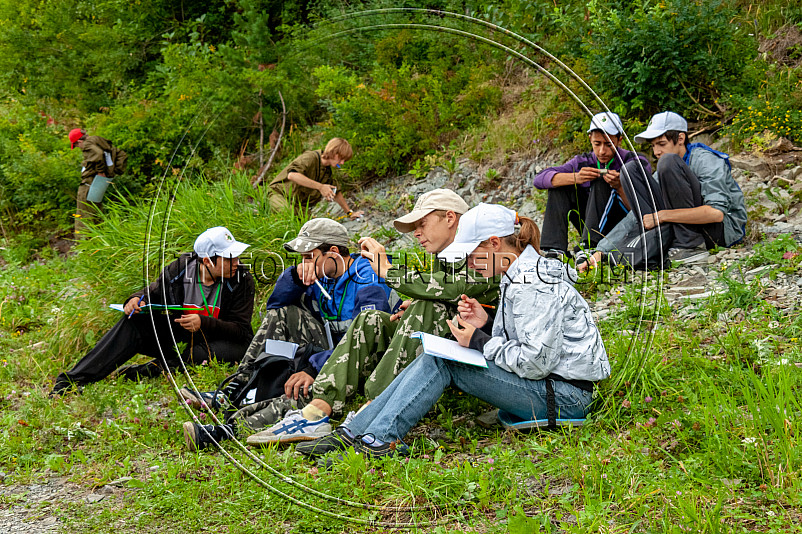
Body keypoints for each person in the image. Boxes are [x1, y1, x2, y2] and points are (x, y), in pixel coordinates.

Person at [294, 203, 610, 460]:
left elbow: (535, 363)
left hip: (565, 398)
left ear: (495, 244)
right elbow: (528, 343)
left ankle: (378, 439)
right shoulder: (520, 273)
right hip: (552, 388)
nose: (469, 262)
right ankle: (355, 432)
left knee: (442, 360)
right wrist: (484, 324)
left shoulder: (532, 282)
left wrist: (478, 339)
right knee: (438, 354)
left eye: (472, 254)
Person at [181, 218, 400, 450]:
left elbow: (363, 338)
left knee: (307, 386)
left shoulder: (366, 276)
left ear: (333, 252)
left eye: (308, 256)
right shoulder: (322, 274)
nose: (304, 263)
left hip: (366, 360)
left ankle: (230, 430)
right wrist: (295, 276)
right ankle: (235, 388)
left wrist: (314, 368)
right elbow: (275, 308)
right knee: (284, 314)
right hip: (331, 350)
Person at [50, 227, 255, 396]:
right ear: (207, 261)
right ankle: (72, 380)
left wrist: (204, 322)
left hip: (221, 341)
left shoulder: (242, 279)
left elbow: (241, 330)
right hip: (183, 335)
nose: (236, 262)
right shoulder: (180, 269)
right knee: (133, 321)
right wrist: (135, 300)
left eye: (237, 256)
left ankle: (147, 370)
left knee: (202, 353)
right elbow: (153, 292)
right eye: (229, 258)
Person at [579, 111, 747, 270]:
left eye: (661, 144)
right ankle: (641, 248)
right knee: (630, 169)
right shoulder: (664, 170)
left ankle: (689, 247)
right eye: (653, 146)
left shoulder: (705, 160)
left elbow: (716, 213)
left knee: (667, 161)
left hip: (720, 229)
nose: (656, 152)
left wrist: (662, 216)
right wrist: (602, 250)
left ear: (680, 138)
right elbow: (637, 218)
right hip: (681, 225)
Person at [533, 112, 651, 258]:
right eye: (597, 144)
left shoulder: (635, 161)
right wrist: (576, 177)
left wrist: (620, 187)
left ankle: (589, 246)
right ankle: (554, 250)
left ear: (619, 140)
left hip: (622, 224)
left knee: (601, 181)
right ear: (590, 140)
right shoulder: (583, 161)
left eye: (609, 145)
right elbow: (539, 180)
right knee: (561, 186)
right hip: (590, 221)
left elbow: (642, 210)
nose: (602, 151)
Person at [267, 138, 363, 219]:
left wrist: (350, 213)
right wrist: (320, 187)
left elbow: (336, 192)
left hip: (297, 205)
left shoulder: (327, 172)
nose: (342, 163)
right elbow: (292, 175)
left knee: (314, 226)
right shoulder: (310, 157)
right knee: (288, 213)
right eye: (341, 159)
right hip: (278, 194)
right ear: (334, 152)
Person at [68, 128, 127, 237]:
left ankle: (84, 245)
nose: (78, 148)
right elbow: (121, 155)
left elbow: (98, 154)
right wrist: (113, 170)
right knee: (96, 212)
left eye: (76, 145)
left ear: (79, 142)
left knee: (83, 214)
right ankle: (101, 239)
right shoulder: (98, 140)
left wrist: (100, 171)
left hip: (90, 183)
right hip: (99, 182)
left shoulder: (87, 145)